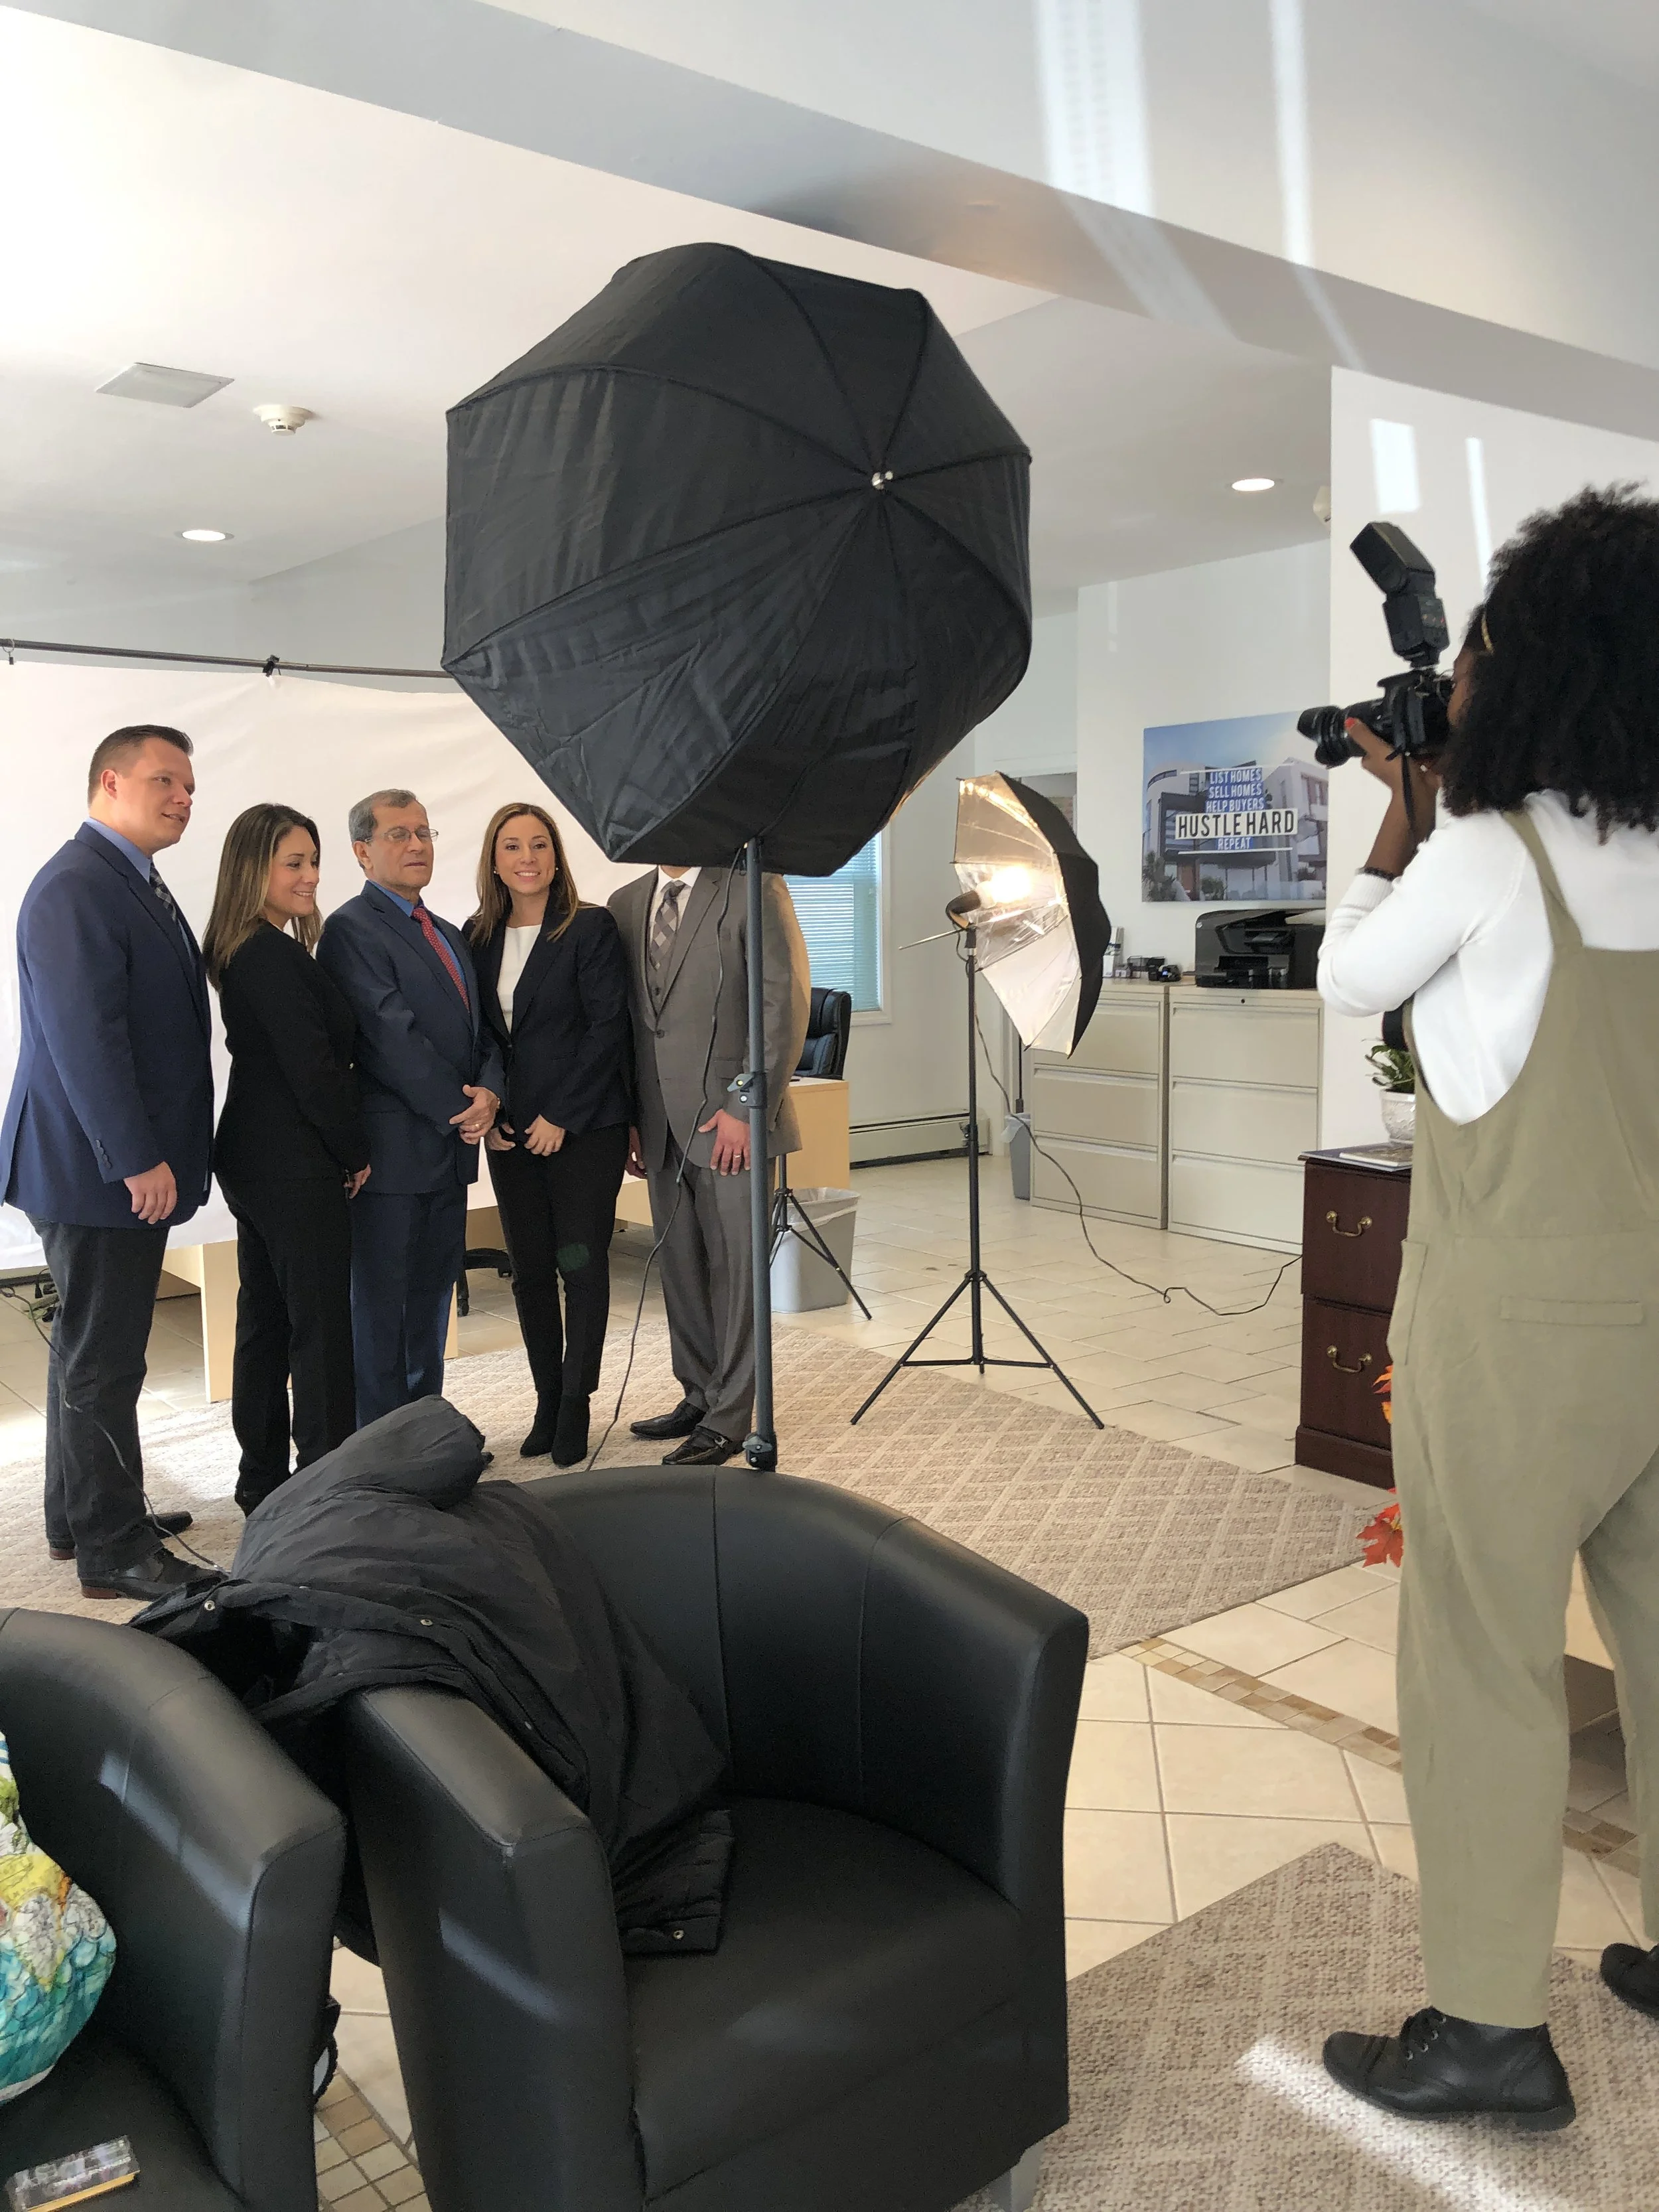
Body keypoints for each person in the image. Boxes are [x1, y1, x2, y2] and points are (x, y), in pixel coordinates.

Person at [1317, 484, 1659, 2131]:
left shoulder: (1483, 853)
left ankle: (1486, 2033)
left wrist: (1398, 819)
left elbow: (1349, 979)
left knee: (1483, 1658)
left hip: (1517, 1326)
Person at [0, 725, 212, 1601]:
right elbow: (88, 1039)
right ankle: (113, 1548)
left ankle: (79, 1511)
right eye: (165, 781)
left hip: (96, 1162)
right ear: (111, 783)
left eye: (190, 785)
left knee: (87, 1349)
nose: (183, 797)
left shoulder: (127, 878)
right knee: (106, 1358)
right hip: (97, 1168)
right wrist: (135, 1158)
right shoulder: (80, 886)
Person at [608, 856, 809, 1464]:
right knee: (681, 1266)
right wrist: (632, 1118)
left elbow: (784, 1002)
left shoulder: (756, 887)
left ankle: (731, 1415)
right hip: (658, 1119)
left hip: (733, 1120)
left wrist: (747, 1105)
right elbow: (632, 1024)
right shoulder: (624, 903)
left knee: (737, 1273)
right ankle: (698, 1392)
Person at [316, 789, 503, 1427]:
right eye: (399, 834)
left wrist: (492, 1092)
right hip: (393, 1160)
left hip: (449, 1155)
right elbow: (390, 1038)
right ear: (362, 852)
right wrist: (464, 1110)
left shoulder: (447, 932)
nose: (417, 844)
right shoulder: (350, 930)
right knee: (381, 1311)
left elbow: (484, 1036)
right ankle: (381, 1448)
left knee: (430, 1305)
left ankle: (423, 1431)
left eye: (424, 832)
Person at [205, 804, 372, 1514]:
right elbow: (313, 1071)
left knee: (267, 1323)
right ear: (255, 870)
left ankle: (264, 1481)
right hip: (292, 1158)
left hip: (254, 1155)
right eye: (292, 863)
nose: (309, 877)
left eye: (312, 861)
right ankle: (325, 1489)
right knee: (320, 1327)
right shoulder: (270, 953)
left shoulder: (249, 945)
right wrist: (354, 1149)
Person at [470, 805, 632, 1468]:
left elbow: (607, 1029)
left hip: (582, 1128)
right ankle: (545, 1397)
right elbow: (478, 1036)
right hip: (510, 1133)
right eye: (512, 846)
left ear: (557, 855)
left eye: (539, 844)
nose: (527, 857)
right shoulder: (476, 935)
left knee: (580, 1266)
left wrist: (560, 1115)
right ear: (495, 858)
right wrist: (496, 1110)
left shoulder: (588, 927)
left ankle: (576, 1403)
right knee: (530, 1271)